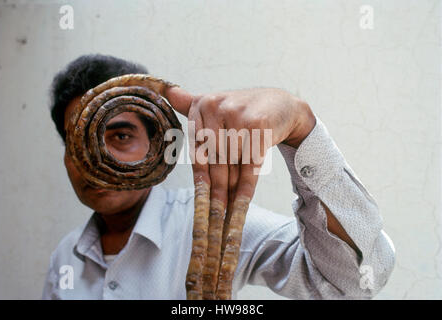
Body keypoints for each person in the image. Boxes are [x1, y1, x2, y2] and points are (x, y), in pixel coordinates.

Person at [42, 54, 395, 299]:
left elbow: (352, 284)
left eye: (120, 136)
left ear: (157, 145)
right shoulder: (65, 258)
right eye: (78, 141)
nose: (95, 157)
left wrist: (301, 128)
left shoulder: (218, 225)